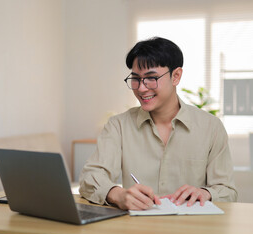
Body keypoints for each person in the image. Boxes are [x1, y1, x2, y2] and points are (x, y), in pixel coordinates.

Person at [79, 37, 238, 210]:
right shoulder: (118, 126)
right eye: (135, 79)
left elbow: (228, 191)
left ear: (176, 76)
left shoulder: (211, 127)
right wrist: (118, 194)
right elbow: (90, 177)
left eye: (151, 78)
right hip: (137, 230)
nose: (141, 88)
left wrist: (206, 193)